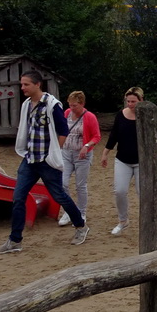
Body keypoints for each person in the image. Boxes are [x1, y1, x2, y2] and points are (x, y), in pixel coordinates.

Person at [0, 72, 89, 254]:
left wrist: (54, 153)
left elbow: (62, 131)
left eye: (26, 84)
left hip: (47, 161)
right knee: (18, 197)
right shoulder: (27, 105)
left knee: (59, 196)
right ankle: (15, 240)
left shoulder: (52, 105)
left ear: (37, 85)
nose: (23, 88)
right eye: (22, 84)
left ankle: (80, 226)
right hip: (30, 159)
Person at [100, 86, 157, 236]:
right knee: (119, 191)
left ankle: (148, 224)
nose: (130, 104)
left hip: (142, 162)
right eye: (128, 101)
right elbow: (114, 136)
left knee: (142, 193)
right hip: (122, 159)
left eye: (133, 101)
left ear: (141, 101)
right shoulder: (120, 115)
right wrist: (105, 153)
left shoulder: (149, 115)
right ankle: (123, 221)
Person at [58, 90, 101, 226]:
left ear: (82, 104)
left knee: (80, 185)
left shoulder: (89, 117)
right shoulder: (66, 114)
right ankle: (69, 210)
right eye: (70, 105)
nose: (72, 108)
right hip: (66, 151)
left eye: (75, 105)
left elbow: (96, 136)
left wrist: (87, 146)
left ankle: (81, 212)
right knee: (63, 183)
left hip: (82, 155)